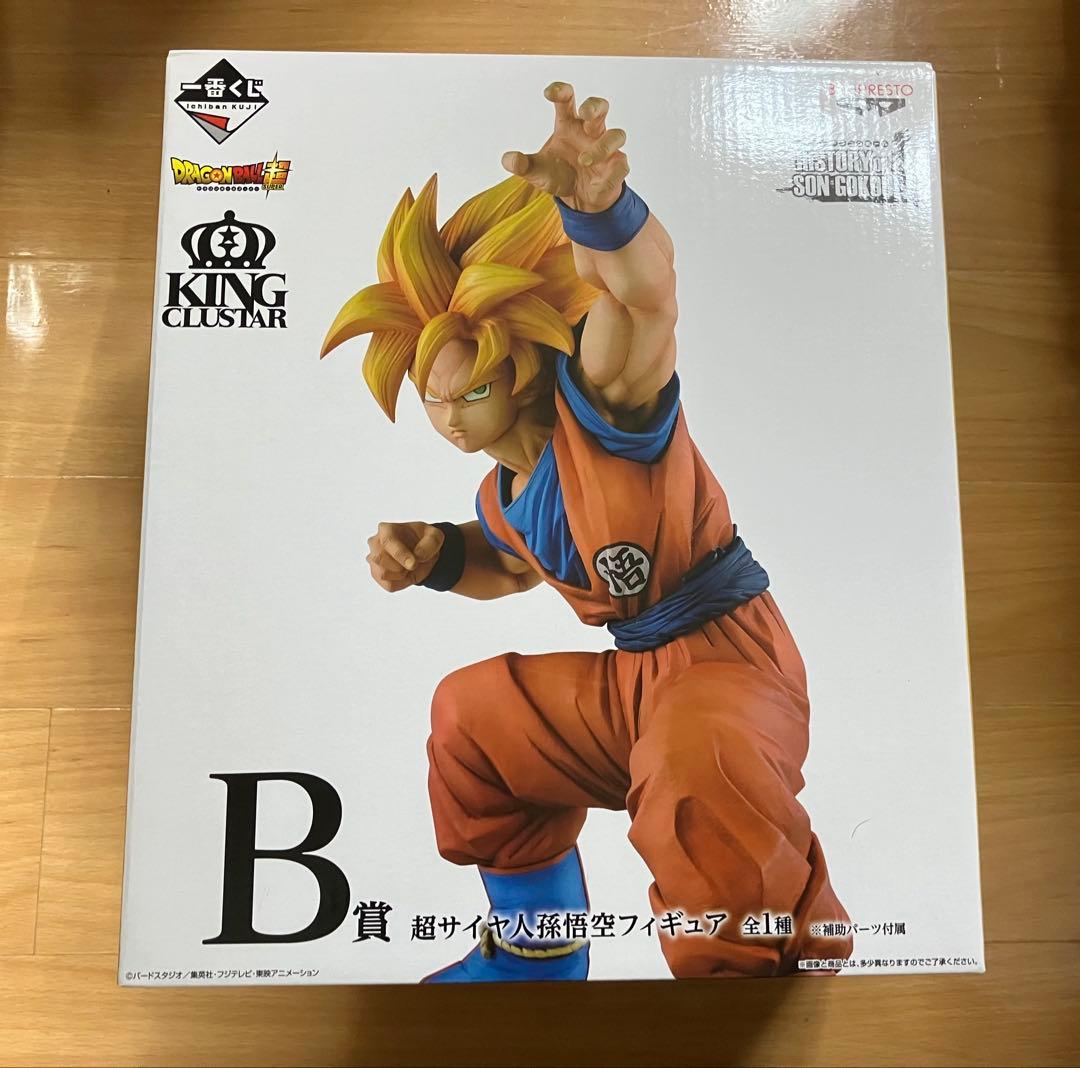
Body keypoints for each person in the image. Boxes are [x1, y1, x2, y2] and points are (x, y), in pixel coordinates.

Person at [321, 80, 854, 982]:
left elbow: (645, 304)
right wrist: (437, 555)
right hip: (639, 682)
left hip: (732, 664)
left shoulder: (606, 408)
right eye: (432, 399)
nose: (451, 417)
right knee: (474, 719)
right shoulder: (505, 491)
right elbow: (508, 565)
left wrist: (600, 213)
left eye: (472, 390)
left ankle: (764, 988)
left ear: (520, 362)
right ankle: (538, 955)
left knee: (696, 771)